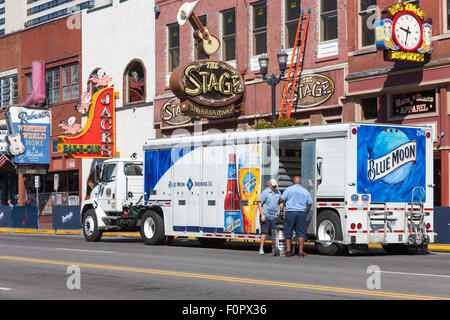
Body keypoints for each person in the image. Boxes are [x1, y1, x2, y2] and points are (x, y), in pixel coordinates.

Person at [279, 176, 312, 257]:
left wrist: (281, 203)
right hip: (301, 213)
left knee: (288, 231)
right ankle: (300, 252)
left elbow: (281, 200)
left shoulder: (289, 189)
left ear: (293, 182)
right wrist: (305, 212)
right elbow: (310, 204)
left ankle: (288, 251)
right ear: (300, 182)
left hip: (290, 213)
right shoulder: (305, 191)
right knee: (301, 233)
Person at [257, 179, 281, 255]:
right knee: (264, 233)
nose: (274, 187)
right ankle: (261, 249)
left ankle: (274, 248)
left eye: (275, 186)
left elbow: (280, 202)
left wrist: (283, 209)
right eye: (273, 186)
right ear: (269, 185)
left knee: (274, 233)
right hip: (266, 215)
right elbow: (259, 204)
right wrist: (262, 215)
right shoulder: (265, 193)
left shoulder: (278, 192)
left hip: (274, 216)